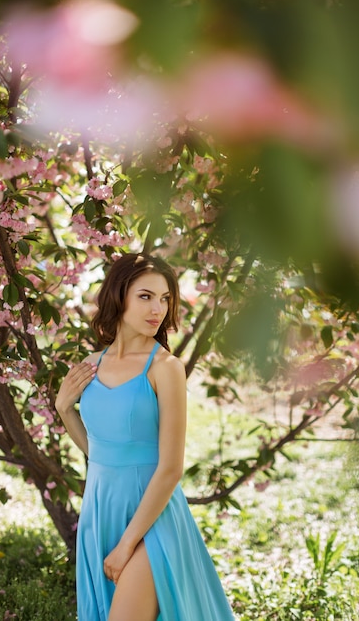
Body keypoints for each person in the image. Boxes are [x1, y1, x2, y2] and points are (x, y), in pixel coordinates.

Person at [55, 252, 235, 621]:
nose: (158, 309)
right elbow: (100, 452)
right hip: (101, 512)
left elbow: (171, 469)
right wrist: (63, 409)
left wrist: (126, 546)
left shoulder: (166, 368)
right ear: (119, 296)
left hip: (152, 520)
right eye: (146, 296)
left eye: (165, 298)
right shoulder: (91, 366)